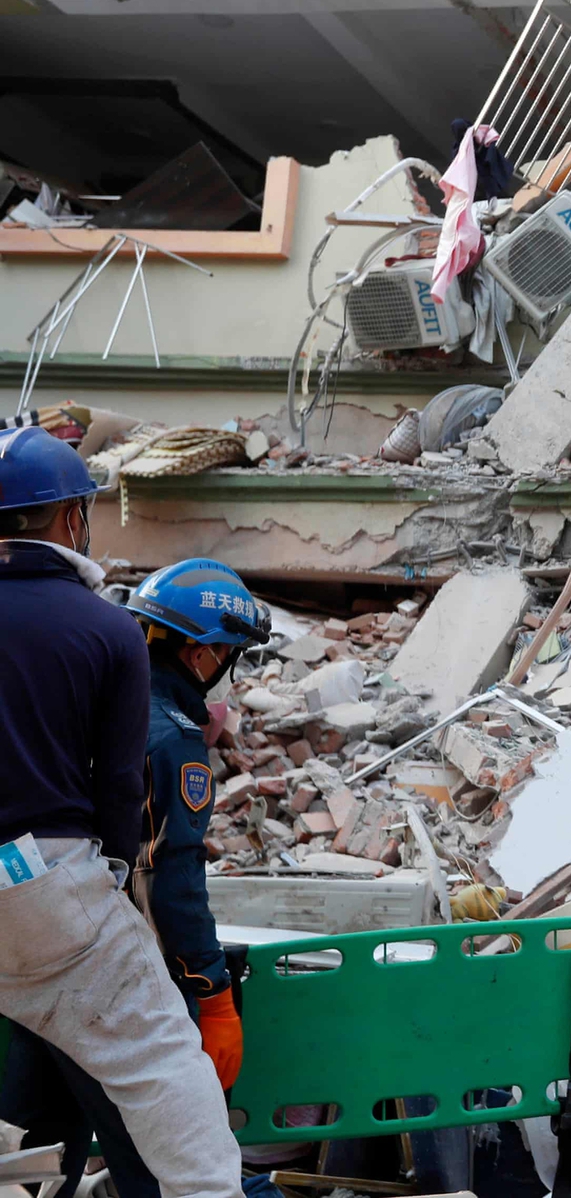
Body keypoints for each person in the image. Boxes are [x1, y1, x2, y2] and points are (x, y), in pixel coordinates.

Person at [0, 427, 243, 1198]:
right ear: (73, 517)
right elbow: (118, 793)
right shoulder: (105, 628)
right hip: (40, 880)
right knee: (164, 1068)